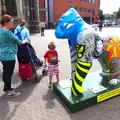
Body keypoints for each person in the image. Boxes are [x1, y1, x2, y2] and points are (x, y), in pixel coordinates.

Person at [0, 14, 27, 97]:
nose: (12, 24)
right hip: (9, 56)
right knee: (8, 74)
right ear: (6, 22)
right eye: (11, 22)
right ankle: (9, 92)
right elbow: (18, 41)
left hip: (3, 55)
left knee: (6, 72)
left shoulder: (1, 31)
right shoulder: (8, 33)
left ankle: (7, 88)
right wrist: (25, 41)